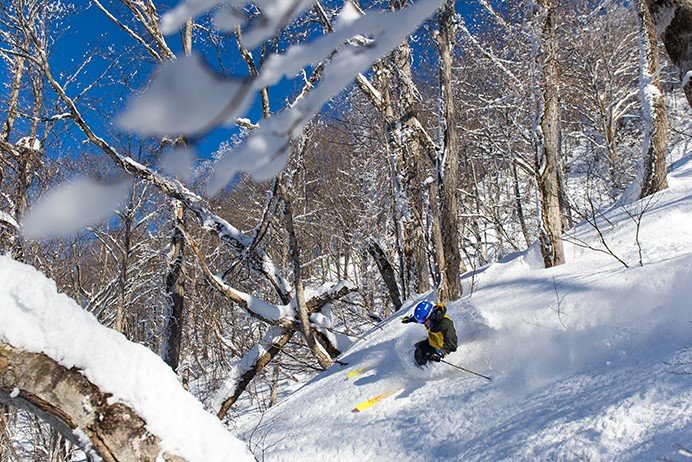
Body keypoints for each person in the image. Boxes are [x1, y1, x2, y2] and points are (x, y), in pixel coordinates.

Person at [401, 300, 458, 367]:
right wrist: (410, 319)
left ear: (431, 315)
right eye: (420, 321)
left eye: (423, 320)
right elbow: (421, 318)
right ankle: (417, 367)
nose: (423, 323)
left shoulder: (445, 324)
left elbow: (452, 343)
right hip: (433, 341)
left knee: (421, 357)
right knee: (416, 348)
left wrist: (440, 353)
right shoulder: (430, 319)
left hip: (440, 348)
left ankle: (424, 373)